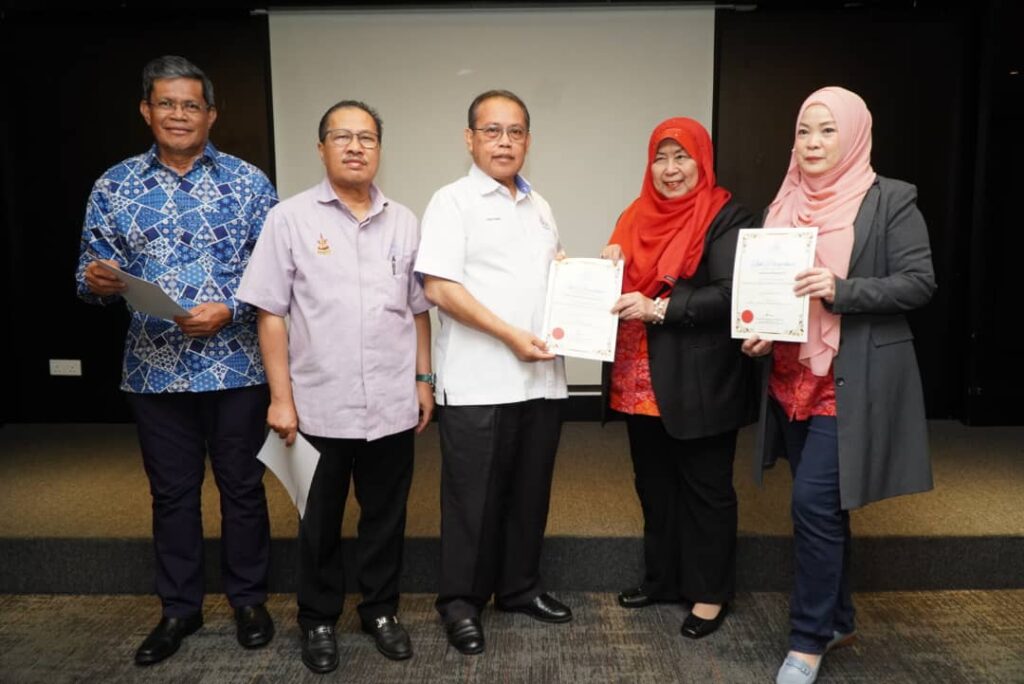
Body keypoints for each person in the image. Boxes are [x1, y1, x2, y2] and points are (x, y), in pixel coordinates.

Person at [75, 55, 278, 665]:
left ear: (211, 114)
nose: (179, 114)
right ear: (147, 110)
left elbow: (276, 273)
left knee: (243, 489)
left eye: (191, 104)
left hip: (237, 365)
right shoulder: (114, 186)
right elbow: (88, 275)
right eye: (167, 103)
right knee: (171, 495)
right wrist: (98, 282)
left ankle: (249, 602)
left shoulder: (249, 182)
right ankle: (179, 610)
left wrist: (232, 309)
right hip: (153, 370)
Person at [740, 87, 936, 684]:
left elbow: (918, 282)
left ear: (852, 135)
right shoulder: (782, 202)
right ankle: (840, 617)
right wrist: (760, 330)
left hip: (847, 380)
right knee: (825, 506)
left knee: (811, 505)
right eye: (804, 130)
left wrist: (841, 289)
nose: (813, 143)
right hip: (791, 377)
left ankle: (807, 640)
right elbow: (772, 292)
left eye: (827, 130)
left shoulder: (890, 199)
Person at [236, 100, 434, 675]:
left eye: (367, 137)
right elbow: (270, 313)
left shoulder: (405, 221)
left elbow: (418, 310)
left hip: (392, 403)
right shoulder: (289, 219)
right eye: (342, 137)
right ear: (321, 148)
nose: (355, 147)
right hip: (318, 404)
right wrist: (280, 398)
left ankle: (380, 611)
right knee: (318, 520)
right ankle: (318, 618)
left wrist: (423, 379)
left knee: (386, 516)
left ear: (379, 149)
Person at [414, 89, 571, 655]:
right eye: (492, 131)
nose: (505, 142)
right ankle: (460, 604)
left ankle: (519, 588)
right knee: (471, 503)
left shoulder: (540, 205)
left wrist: (577, 279)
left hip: (542, 381)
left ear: (528, 140)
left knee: (529, 495)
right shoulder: (451, 202)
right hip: (480, 381)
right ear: (470, 139)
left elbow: (547, 280)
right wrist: (509, 335)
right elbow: (439, 288)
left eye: (515, 132)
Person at [600, 117, 755, 639]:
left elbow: (731, 295)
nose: (670, 170)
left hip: (699, 379)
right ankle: (663, 578)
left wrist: (660, 308)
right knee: (654, 484)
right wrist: (601, 271)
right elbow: (616, 288)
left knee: (705, 487)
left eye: (681, 157)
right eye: (660, 158)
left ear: (702, 161)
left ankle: (710, 592)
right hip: (638, 378)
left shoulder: (726, 216)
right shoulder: (633, 216)